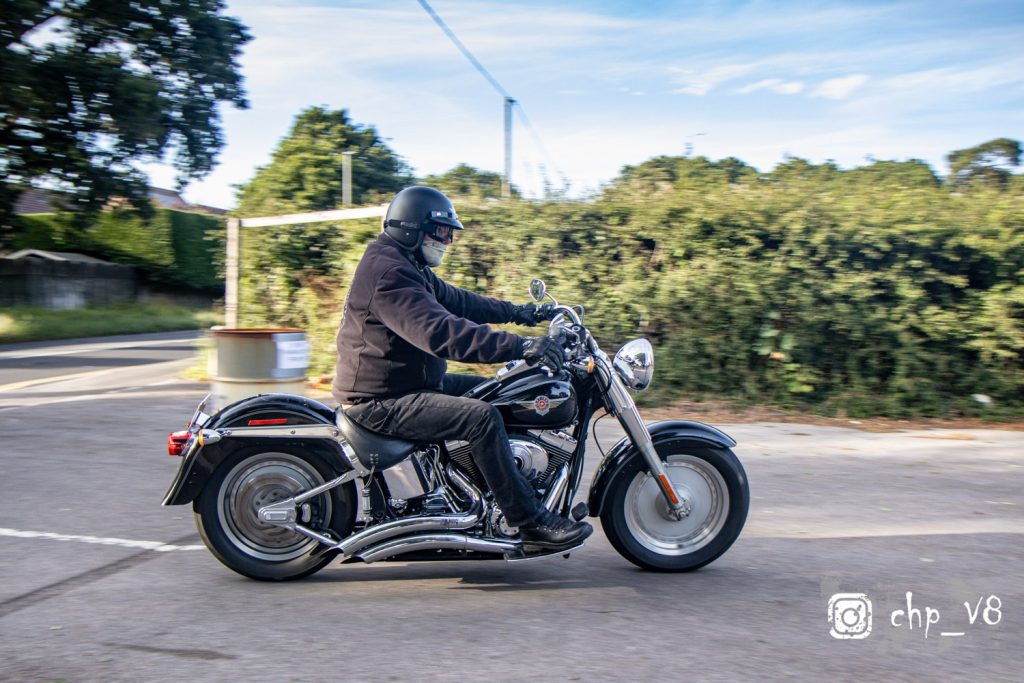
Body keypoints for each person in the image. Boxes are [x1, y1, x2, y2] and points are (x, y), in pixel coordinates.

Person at [332, 186, 593, 548]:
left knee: (501, 393)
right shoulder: (389, 273)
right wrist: (521, 346)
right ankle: (529, 520)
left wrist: (522, 313)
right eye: (440, 232)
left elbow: (459, 302)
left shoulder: (405, 263)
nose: (447, 241)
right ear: (411, 227)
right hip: (381, 400)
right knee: (481, 417)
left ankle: (482, 489)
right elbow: (441, 333)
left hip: (409, 384)